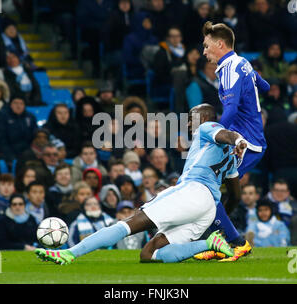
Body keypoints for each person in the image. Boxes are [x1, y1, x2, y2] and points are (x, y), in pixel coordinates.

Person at [35, 103, 246, 264]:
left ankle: (69, 254)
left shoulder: (208, 127)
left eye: (192, 118)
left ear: (205, 118)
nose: (189, 123)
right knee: (149, 254)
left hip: (191, 192)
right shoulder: (231, 158)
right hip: (207, 207)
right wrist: (215, 223)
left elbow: (225, 134)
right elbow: (235, 196)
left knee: (129, 223)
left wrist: (237, 140)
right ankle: (209, 244)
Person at [194, 22, 270, 262]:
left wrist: (213, 133)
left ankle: (237, 243)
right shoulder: (243, 63)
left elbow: (230, 107)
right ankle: (220, 242)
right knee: (209, 191)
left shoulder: (228, 69)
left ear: (220, 44)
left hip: (245, 144)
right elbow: (265, 86)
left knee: (206, 191)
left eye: (206, 46)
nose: (204, 52)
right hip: (248, 138)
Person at [0, 95, 37, 163]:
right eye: (15, 103)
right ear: (10, 104)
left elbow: (34, 135)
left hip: (26, 151)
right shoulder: (2, 116)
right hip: (7, 151)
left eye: (21, 103)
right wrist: (10, 155)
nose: (18, 106)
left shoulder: (30, 117)